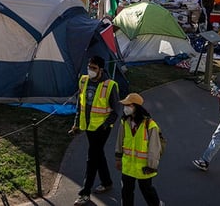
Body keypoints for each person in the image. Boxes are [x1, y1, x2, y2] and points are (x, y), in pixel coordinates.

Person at [70, 56, 121, 205]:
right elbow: (80, 104)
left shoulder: (110, 85)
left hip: (102, 128)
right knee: (98, 154)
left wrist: (105, 125)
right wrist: (76, 124)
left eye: (94, 68)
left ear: (101, 69)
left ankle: (85, 193)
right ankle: (107, 182)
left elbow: (116, 111)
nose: (90, 70)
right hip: (88, 126)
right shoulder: (84, 80)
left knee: (92, 158)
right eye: (89, 67)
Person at [114, 93, 163, 206]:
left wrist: (152, 166)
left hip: (144, 167)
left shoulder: (150, 125)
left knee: (147, 190)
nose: (125, 108)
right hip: (128, 166)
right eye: (125, 105)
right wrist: (118, 158)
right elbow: (119, 141)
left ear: (136, 107)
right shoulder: (124, 122)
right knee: (126, 191)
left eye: (128, 105)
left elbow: (154, 148)